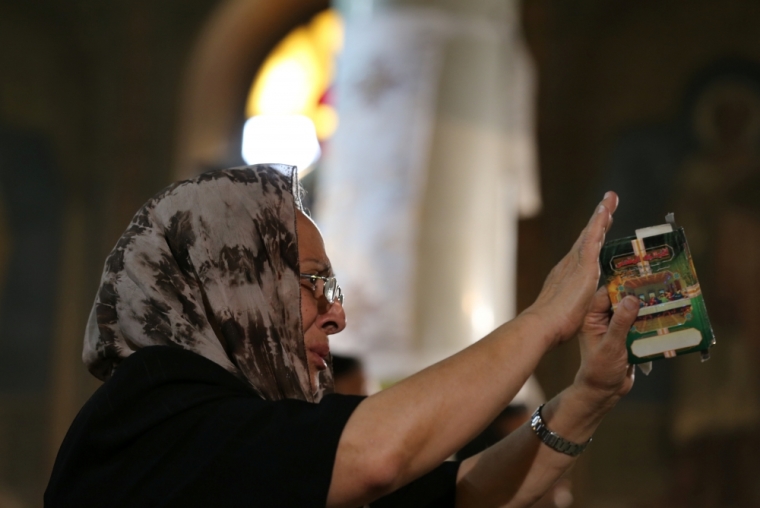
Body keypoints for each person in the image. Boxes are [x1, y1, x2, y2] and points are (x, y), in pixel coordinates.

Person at [45, 164, 640, 507]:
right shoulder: (149, 408)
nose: (338, 316)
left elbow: (466, 495)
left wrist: (590, 396)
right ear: (231, 281)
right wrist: (542, 319)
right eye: (313, 283)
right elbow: (376, 456)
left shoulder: (253, 425)